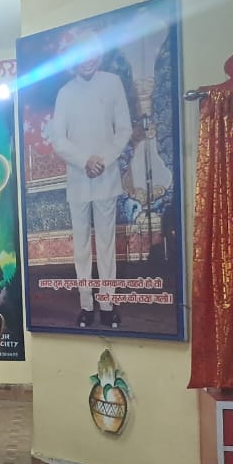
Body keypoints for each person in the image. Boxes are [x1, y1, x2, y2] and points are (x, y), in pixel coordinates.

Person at [48, 31, 133, 329]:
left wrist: (103, 160)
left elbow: (124, 129)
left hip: (106, 176)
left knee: (107, 244)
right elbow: (59, 139)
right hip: (79, 178)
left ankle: (107, 305)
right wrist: (85, 160)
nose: (88, 61)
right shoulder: (65, 93)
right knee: (82, 246)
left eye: (93, 54)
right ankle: (86, 304)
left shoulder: (112, 83)